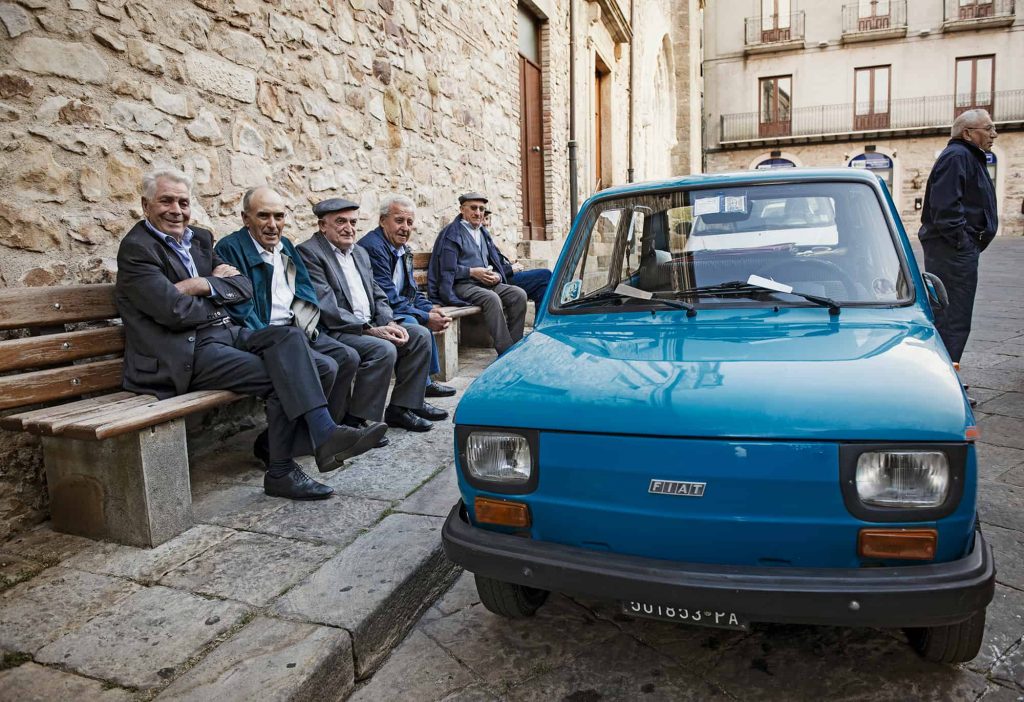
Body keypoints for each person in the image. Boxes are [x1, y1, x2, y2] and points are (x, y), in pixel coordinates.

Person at [116, 170, 385, 501]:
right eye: (166, 201)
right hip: (183, 353)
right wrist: (218, 292)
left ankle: (324, 432)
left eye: (183, 202)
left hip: (223, 334)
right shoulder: (137, 249)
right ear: (145, 205)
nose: (176, 210)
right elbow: (174, 312)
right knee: (283, 374)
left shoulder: (199, 238)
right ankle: (283, 470)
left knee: (290, 339)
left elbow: (242, 288)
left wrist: (201, 284)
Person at [213, 185, 387, 454]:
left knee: (346, 357)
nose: (273, 225)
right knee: (325, 366)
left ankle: (327, 432)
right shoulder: (230, 248)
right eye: (263, 216)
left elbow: (305, 290)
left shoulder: (285, 246)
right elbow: (240, 306)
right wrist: (280, 338)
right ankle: (277, 443)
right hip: (264, 337)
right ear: (246, 219)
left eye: (279, 217)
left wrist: (308, 328)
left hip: (297, 330)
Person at [298, 198, 448, 433]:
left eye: (353, 222)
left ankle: (401, 408)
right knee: (383, 349)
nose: (349, 228)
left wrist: (388, 321)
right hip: (339, 330)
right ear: (322, 225)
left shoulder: (358, 252)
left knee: (418, 335)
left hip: (371, 324)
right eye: (340, 222)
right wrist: (369, 328)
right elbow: (327, 307)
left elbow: (379, 295)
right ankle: (357, 419)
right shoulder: (310, 253)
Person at [919, 108, 998, 403]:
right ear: (968, 133)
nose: (994, 134)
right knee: (952, 317)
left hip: (956, 249)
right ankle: (943, 383)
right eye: (988, 128)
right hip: (952, 251)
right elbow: (945, 208)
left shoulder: (965, 157)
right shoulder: (957, 157)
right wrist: (963, 242)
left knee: (954, 315)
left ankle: (946, 375)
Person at [357, 194, 456, 398]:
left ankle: (424, 383)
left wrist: (429, 308)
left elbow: (410, 291)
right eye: (399, 220)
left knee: (418, 319)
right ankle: (421, 385)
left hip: (392, 306)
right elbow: (387, 297)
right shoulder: (374, 247)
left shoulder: (402, 249)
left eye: (410, 222)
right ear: (382, 221)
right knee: (414, 324)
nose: (405, 227)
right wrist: (426, 317)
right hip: (376, 312)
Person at [427, 192, 527, 355]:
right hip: (460, 286)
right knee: (492, 298)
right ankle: (506, 351)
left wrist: (497, 276)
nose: (478, 213)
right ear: (462, 210)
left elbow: (494, 263)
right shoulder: (452, 234)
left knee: (518, 294)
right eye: (473, 208)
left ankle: (515, 346)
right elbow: (445, 269)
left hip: (483, 285)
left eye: (481, 209)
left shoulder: (483, 233)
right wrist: (472, 272)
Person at [482, 208, 552, 306]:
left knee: (542, 289)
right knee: (545, 275)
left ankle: (540, 321)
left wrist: (510, 264)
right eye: (482, 219)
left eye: (486, 219)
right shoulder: (479, 241)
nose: (485, 223)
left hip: (507, 275)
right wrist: (510, 268)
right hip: (503, 280)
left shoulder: (486, 238)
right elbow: (487, 270)